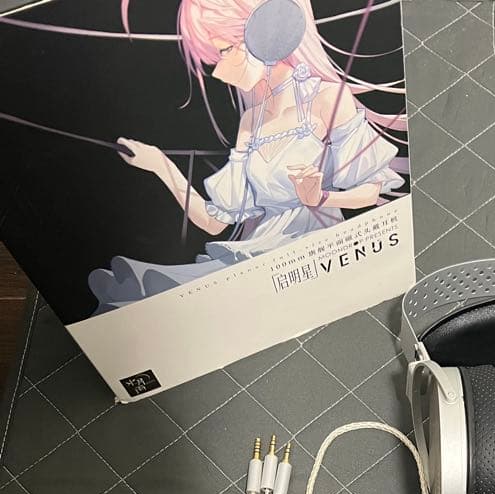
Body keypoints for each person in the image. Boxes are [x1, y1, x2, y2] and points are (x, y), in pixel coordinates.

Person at [89, 0, 406, 312]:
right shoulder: (250, 122)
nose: (219, 72)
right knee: (148, 300)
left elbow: (370, 190)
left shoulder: (326, 97)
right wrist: (161, 165)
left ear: (263, 35)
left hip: (317, 253)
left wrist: (320, 197)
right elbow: (215, 222)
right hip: (256, 256)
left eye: (224, 51)